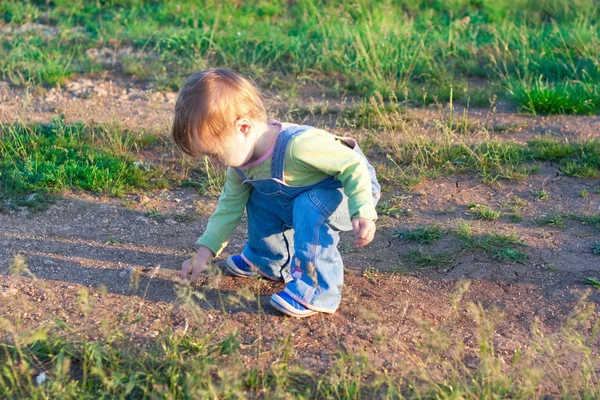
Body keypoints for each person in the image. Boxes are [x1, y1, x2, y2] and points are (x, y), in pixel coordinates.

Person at [172, 68, 380, 318]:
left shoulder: (298, 147)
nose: (213, 163)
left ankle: (319, 289)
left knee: (308, 205)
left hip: (352, 192)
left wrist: (363, 209)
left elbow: (352, 165)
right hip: (306, 196)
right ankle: (269, 261)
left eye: (214, 154)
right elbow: (228, 209)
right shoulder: (242, 168)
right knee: (259, 195)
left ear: (243, 127)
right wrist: (203, 255)